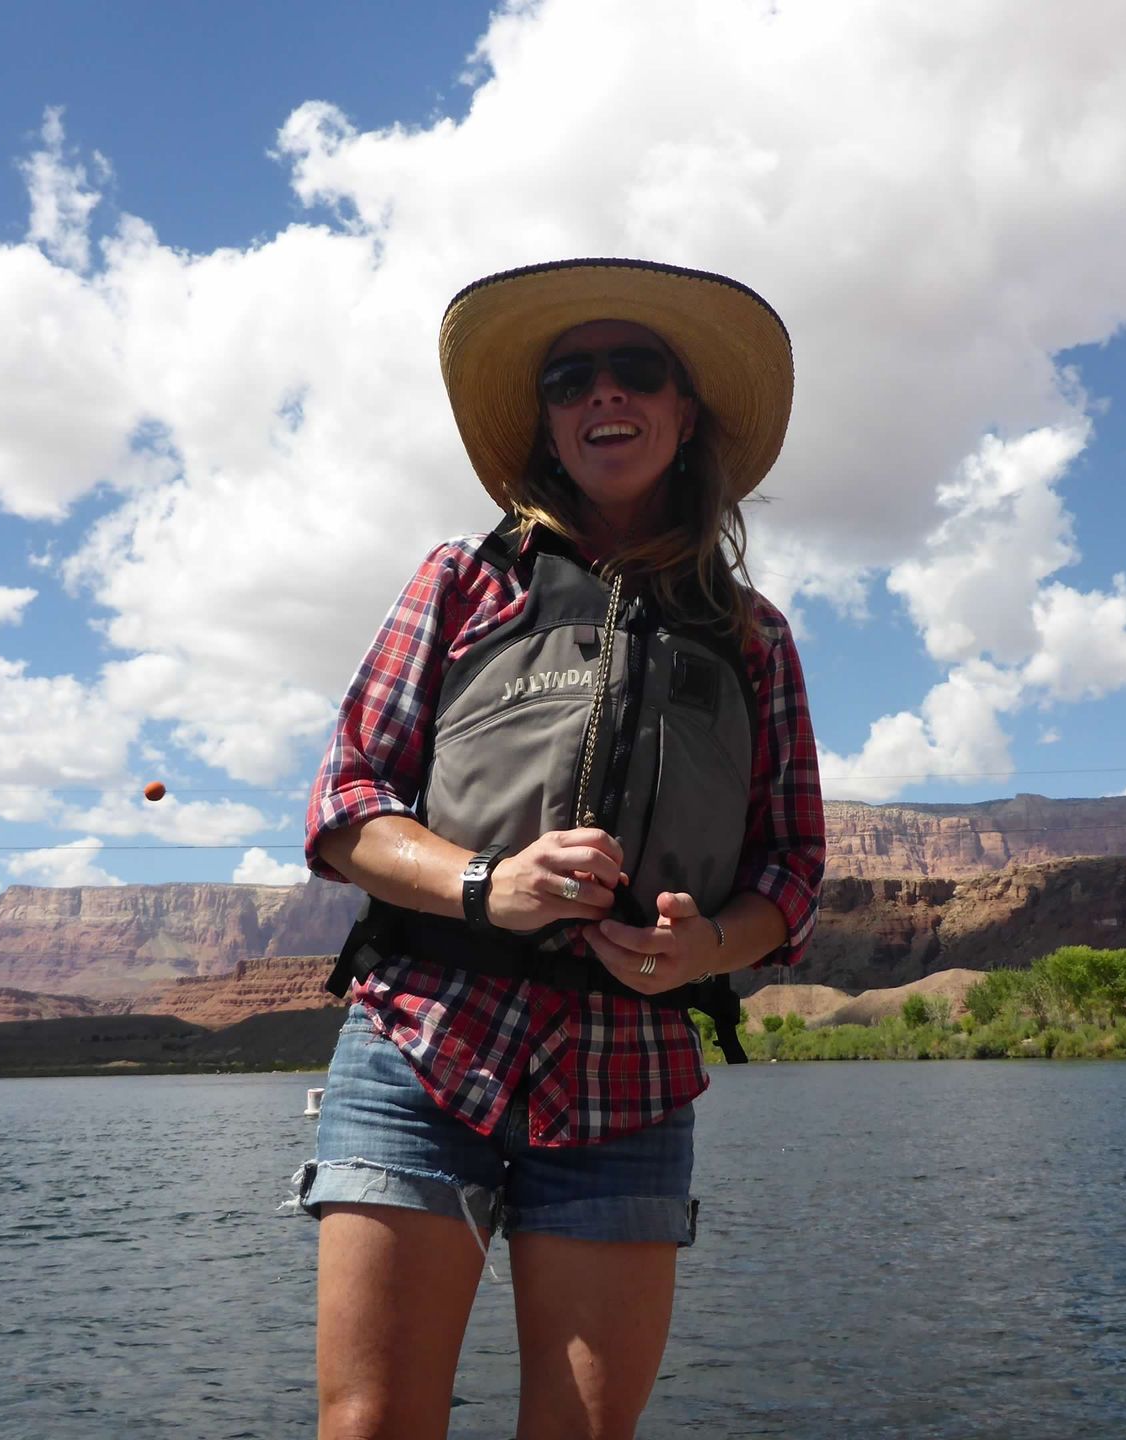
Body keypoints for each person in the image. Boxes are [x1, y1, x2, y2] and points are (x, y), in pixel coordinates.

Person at [297, 257, 824, 1439]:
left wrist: (704, 951)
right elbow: (346, 803)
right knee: (372, 1424)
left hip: (627, 1075)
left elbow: (792, 871)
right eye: (570, 377)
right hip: (422, 1041)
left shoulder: (752, 639)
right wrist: (487, 885)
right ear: (546, 418)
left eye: (636, 370)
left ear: (686, 413)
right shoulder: (463, 582)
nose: (603, 395)